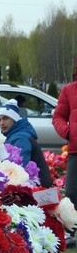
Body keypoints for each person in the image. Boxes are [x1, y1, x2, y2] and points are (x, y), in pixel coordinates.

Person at [0, 100, 51, 187]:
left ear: (14, 119)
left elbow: (19, 168)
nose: (2, 123)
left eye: (6, 118)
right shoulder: (11, 134)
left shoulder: (21, 138)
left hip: (38, 188)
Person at [53, 76, 77, 211]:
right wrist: (68, 132)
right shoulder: (68, 90)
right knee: (71, 195)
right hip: (75, 150)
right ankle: (72, 230)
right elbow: (58, 116)